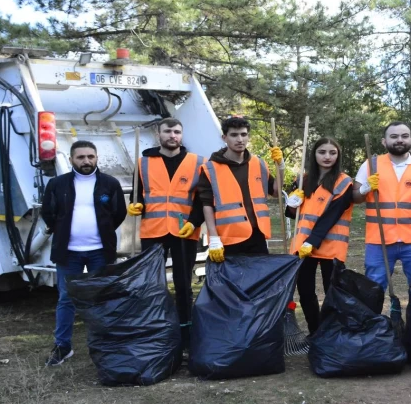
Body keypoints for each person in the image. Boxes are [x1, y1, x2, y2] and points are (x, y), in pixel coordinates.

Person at [41, 140, 127, 366]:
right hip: (68, 252)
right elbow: (48, 212)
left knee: (101, 298)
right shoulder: (57, 184)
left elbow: (118, 213)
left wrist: (104, 232)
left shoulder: (109, 183)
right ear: (71, 160)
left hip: (100, 251)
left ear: (97, 158)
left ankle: (106, 344)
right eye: (81, 157)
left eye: (90, 156)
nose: (86, 161)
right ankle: (63, 346)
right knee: (66, 299)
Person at [127, 117, 205, 349]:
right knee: (152, 284)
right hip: (153, 231)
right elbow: (138, 195)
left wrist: (194, 221)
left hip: (184, 231)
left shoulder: (198, 162)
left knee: (183, 284)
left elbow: (203, 200)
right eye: (168, 131)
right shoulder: (143, 163)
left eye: (177, 132)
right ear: (158, 134)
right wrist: (136, 205)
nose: (173, 135)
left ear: (182, 135)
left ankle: (185, 330)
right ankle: (156, 329)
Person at [353, 121, 411, 290]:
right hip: (379, 240)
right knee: (373, 288)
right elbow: (354, 197)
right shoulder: (370, 165)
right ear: (384, 141)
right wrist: (364, 188)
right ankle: (373, 317)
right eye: (394, 136)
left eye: (404, 136)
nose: (399, 140)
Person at [286, 137, 354, 334]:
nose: (327, 157)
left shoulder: (344, 182)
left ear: (338, 156)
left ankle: (332, 333)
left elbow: (332, 215)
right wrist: (291, 205)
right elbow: (295, 215)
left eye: (332, 153)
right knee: (306, 291)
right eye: (322, 152)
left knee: (332, 291)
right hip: (303, 246)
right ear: (314, 154)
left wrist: (312, 241)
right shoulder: (302, 180)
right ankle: (315, 332)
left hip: (330, 246)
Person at [196, 116, 284, 261]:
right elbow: (207, 206)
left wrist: (281, 166)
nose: (240, 139)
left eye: (243, 134)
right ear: (224, 137)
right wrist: (214, 239)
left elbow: (275, 192)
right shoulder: (210, 168)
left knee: (259, 281)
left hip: (257, 235)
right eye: (234, 135)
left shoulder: (259, 164)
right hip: (229, 239)